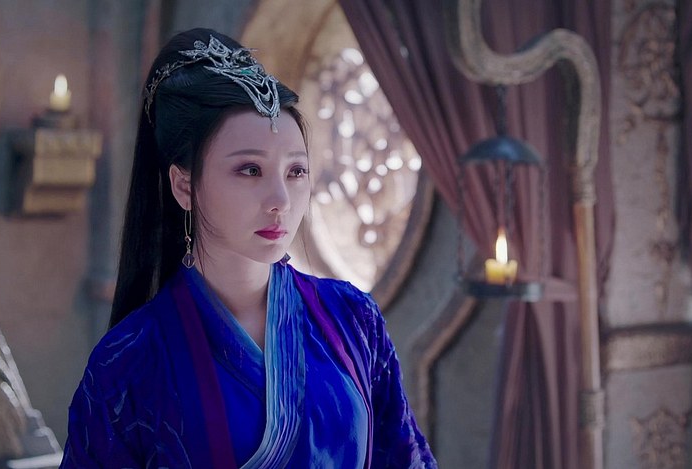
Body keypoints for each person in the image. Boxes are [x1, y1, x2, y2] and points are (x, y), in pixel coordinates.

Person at [60, 28, 437, 468]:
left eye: (296, 171)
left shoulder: (353, 318)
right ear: (183, 185)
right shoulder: (128, 360)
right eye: (250, 170)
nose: (280, 200)